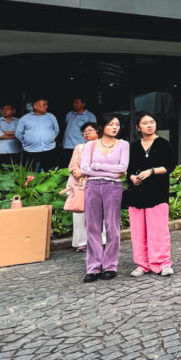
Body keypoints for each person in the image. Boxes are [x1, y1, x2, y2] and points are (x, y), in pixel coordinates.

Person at [125, 112, 176, 277]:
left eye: (152, 122)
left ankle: (163, 263)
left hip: (157, 192)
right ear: (138, 127)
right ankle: (142, 264)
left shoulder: (163, 143)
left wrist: (152, 171)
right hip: (137, 193)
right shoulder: (132, 146)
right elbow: (128, 169)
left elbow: (170, 165)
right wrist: (132, 177)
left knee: (158, 230)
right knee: (138, 232)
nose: (149, 125)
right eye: (145, 122)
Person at [81, 114, 129, 282]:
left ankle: (110, 266)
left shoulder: (123, 145)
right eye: (110, 124)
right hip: (92, 186)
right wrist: (111, 171)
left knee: (112, 227)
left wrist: (99, 166)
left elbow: (123, 168)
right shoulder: (90, 146)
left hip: (113, 187)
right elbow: (85, 169)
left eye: (117, 124)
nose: (115, 127)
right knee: (92, 226)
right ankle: (93, 267)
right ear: (102, 127)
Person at [65, 122, 99, 252]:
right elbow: (72, 165)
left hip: (96, 183)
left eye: (90, 130)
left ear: (98, 132)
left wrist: (84, 172)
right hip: (78, 185)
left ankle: (100, 241)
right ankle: (81, 242)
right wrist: (76, 172)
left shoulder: (103, 147)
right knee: (79, 215)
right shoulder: (79, 147)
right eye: (84, 131)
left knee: (98, 214)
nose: (87, 133)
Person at [16, 98, 60, 171]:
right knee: (31, 172)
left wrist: (50, 139)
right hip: (30, 150)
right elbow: (18, 134)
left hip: (49, 149)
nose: (46, 106)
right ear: (35, 106)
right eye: (44, 105)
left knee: (50, 171)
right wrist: (27, 142)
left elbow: (56, 131)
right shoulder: (24, 119)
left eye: (47, 105)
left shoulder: (51, 117)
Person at [0, 103, 21, 167]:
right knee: (0, 172)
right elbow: (0, 136)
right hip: (0, 151)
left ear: (14, 111)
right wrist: (15, 134)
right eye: (3, 109)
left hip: (15, 150)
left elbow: (22, 134)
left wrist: (6, 132)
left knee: (15, 172)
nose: (4, 111)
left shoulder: (19, 121)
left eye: (7, 109)